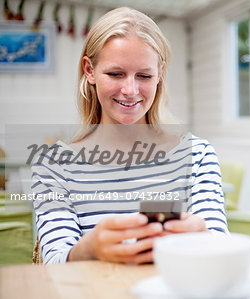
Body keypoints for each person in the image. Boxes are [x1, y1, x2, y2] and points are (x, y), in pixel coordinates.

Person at [31, 7, 228, 264]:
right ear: (89, 70)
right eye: (115, 74)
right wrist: (90, 247)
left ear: (160, 75)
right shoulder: (53, 166)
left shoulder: (197, 155)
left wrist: (202, 236)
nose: (130, 90)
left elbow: (221, 249)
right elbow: (54, 263)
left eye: (144, 76)